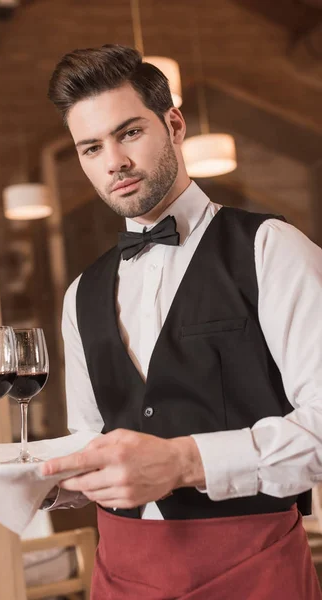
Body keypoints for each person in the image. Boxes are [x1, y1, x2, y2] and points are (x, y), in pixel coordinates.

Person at [41, 44, 322, 599]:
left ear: (173, 124)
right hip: (120, 571)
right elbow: (90, 442)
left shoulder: (271, 249)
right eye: (91, 147)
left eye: (129, 133)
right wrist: (38, 480)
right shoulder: (81, 294)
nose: (113, 162)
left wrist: (184, 461)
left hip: (253, 567)